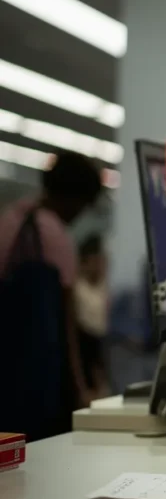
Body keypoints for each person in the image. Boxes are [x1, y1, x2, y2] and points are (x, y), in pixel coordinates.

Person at [0, 152, 104, 436]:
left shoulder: (11, 218)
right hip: (41, 373)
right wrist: (80, 388)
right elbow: (66, 323)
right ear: (74, 198)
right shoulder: (55, 233)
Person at [74, 234, 110, 398]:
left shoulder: (103, 287)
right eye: (96, 261)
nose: (100, 265)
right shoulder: (77, 289)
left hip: (102, 345)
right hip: (84, 342)